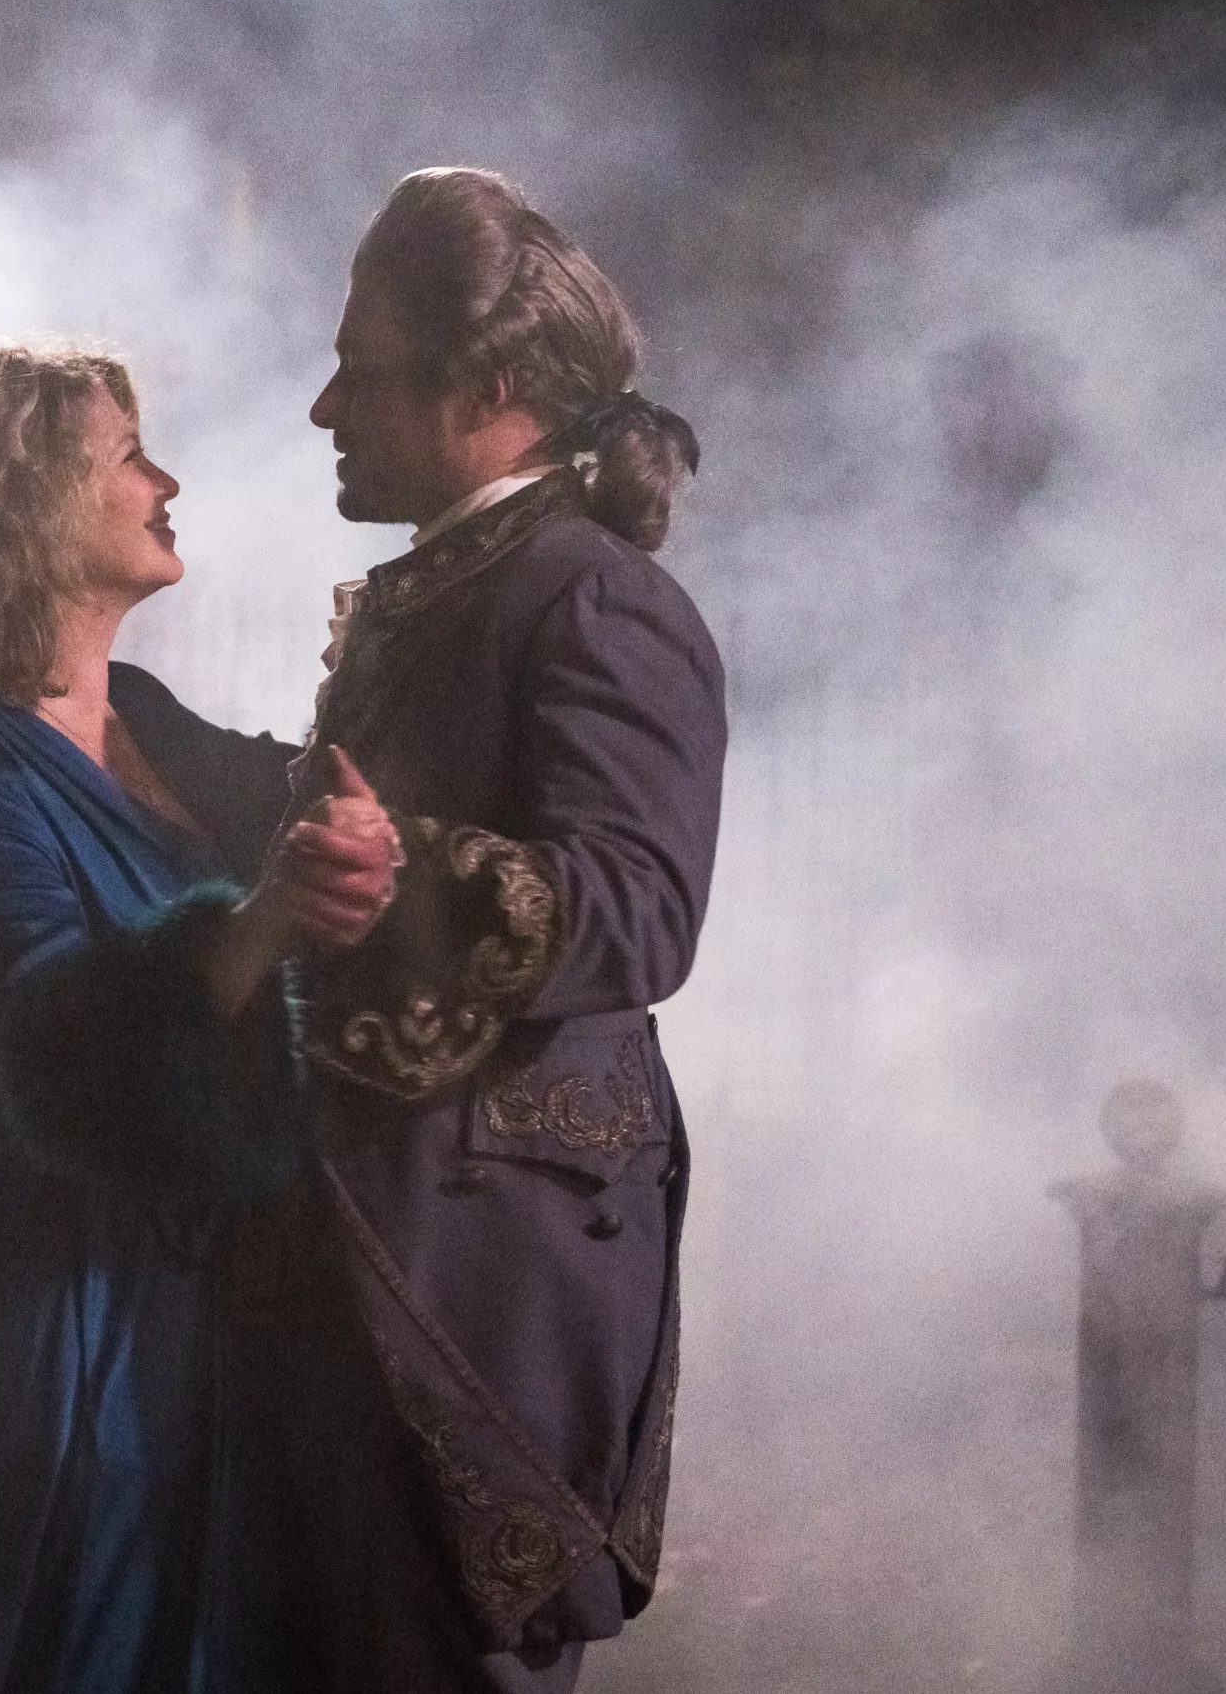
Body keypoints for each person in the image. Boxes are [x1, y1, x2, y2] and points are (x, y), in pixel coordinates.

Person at [230, 167, 729, 1693]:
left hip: (477, 1284)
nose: (324, 406)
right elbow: (334, 814)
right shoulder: (468, 584)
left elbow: (644, 907)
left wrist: (406, 867)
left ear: (493, 387)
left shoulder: (594, 597)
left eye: (361, 368)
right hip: (378, 1242)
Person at [0, 344, 397, 1694]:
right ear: (25, 503)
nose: (168, 483)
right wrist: (260, 920)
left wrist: (379, 712)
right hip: (67, 1301)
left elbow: (313, 817)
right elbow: (44, 1042)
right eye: (130, 456)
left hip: (216, 1293)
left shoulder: (141, 718)